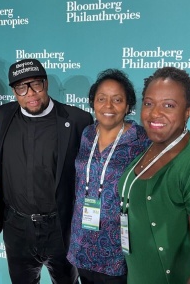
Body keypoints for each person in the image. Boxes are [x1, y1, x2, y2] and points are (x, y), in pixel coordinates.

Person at [0, 58, 93, 284]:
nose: (31, 93)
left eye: (36, 84)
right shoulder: (4, 115)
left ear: (46, 83)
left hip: (60, 229)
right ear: (13, 91)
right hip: (17, 229)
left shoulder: (78, 120)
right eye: (21, 87)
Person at [67, 69, 150, 284]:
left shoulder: (141, 139)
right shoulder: (87, 134)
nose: (108, 106)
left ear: (128, 105)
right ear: (93, 102)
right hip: (82, 242)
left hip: (117, 250)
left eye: (117, 100)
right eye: (101, 99)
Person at [118, 67, 190, 284]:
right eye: (149, 103)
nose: (154, 113)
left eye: (168, 105)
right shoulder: (153, 146)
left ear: (188, 111)